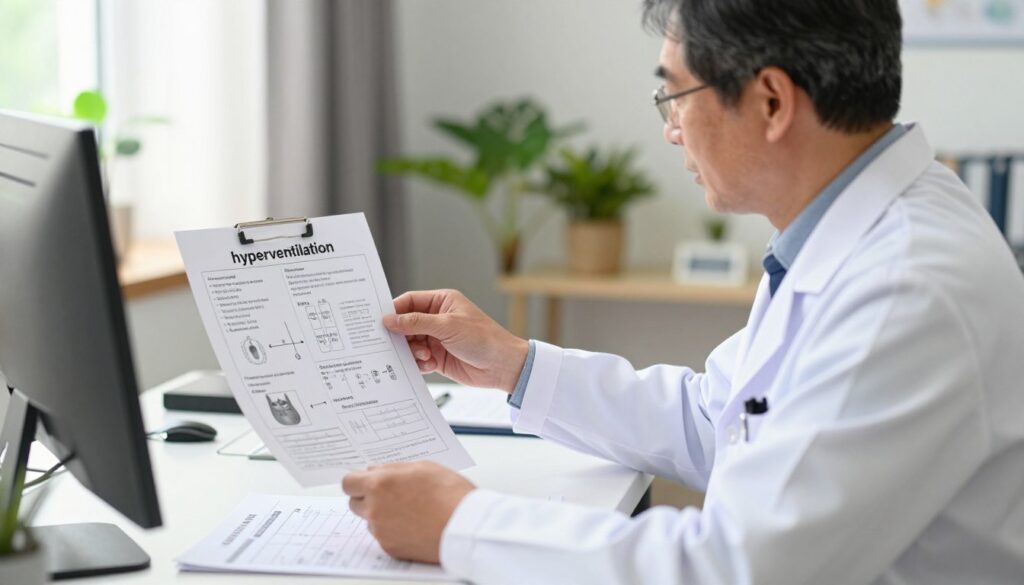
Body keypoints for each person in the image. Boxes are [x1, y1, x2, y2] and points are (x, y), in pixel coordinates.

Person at [342, 0, 1024, 583]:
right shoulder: (855, 230)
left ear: (771, 101)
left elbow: (735, 567)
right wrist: (515, 364)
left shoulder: (906, 289)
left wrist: (460, 522)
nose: (670, 128)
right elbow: (716, 418)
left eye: (675, 94)